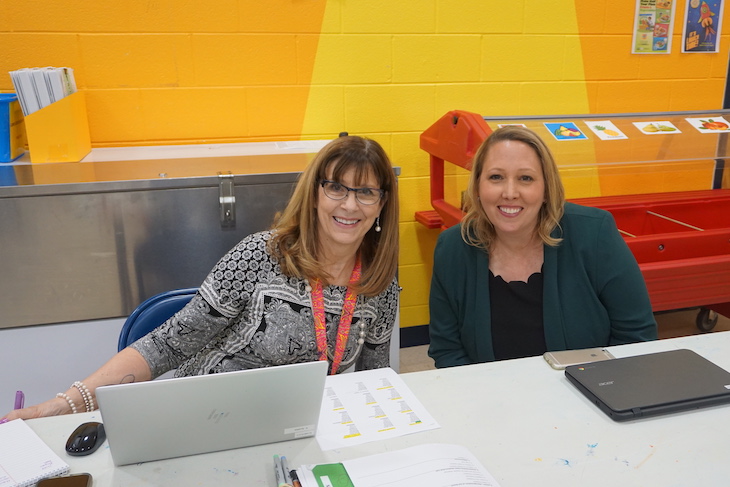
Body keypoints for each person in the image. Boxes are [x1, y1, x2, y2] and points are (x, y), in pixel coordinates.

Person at [2, 135, 399, 421]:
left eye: (366, 193)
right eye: (336, 188)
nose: (349, 204)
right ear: (314, 194)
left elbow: (374, 379)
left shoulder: (379, 283)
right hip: (208, 415)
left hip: (296, 422)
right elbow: (166, 344)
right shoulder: (261, 255)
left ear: (382, 204)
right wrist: (65, 405)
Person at [428, 126, 657, 368]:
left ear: (547, 189)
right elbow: (447, 350)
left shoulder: (594, 233)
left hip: (586, 392)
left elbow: (638, 337)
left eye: (525, 178)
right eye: (496, 177)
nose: (509, 192)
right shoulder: (453, 247)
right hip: (491, 397)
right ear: (477, 187)